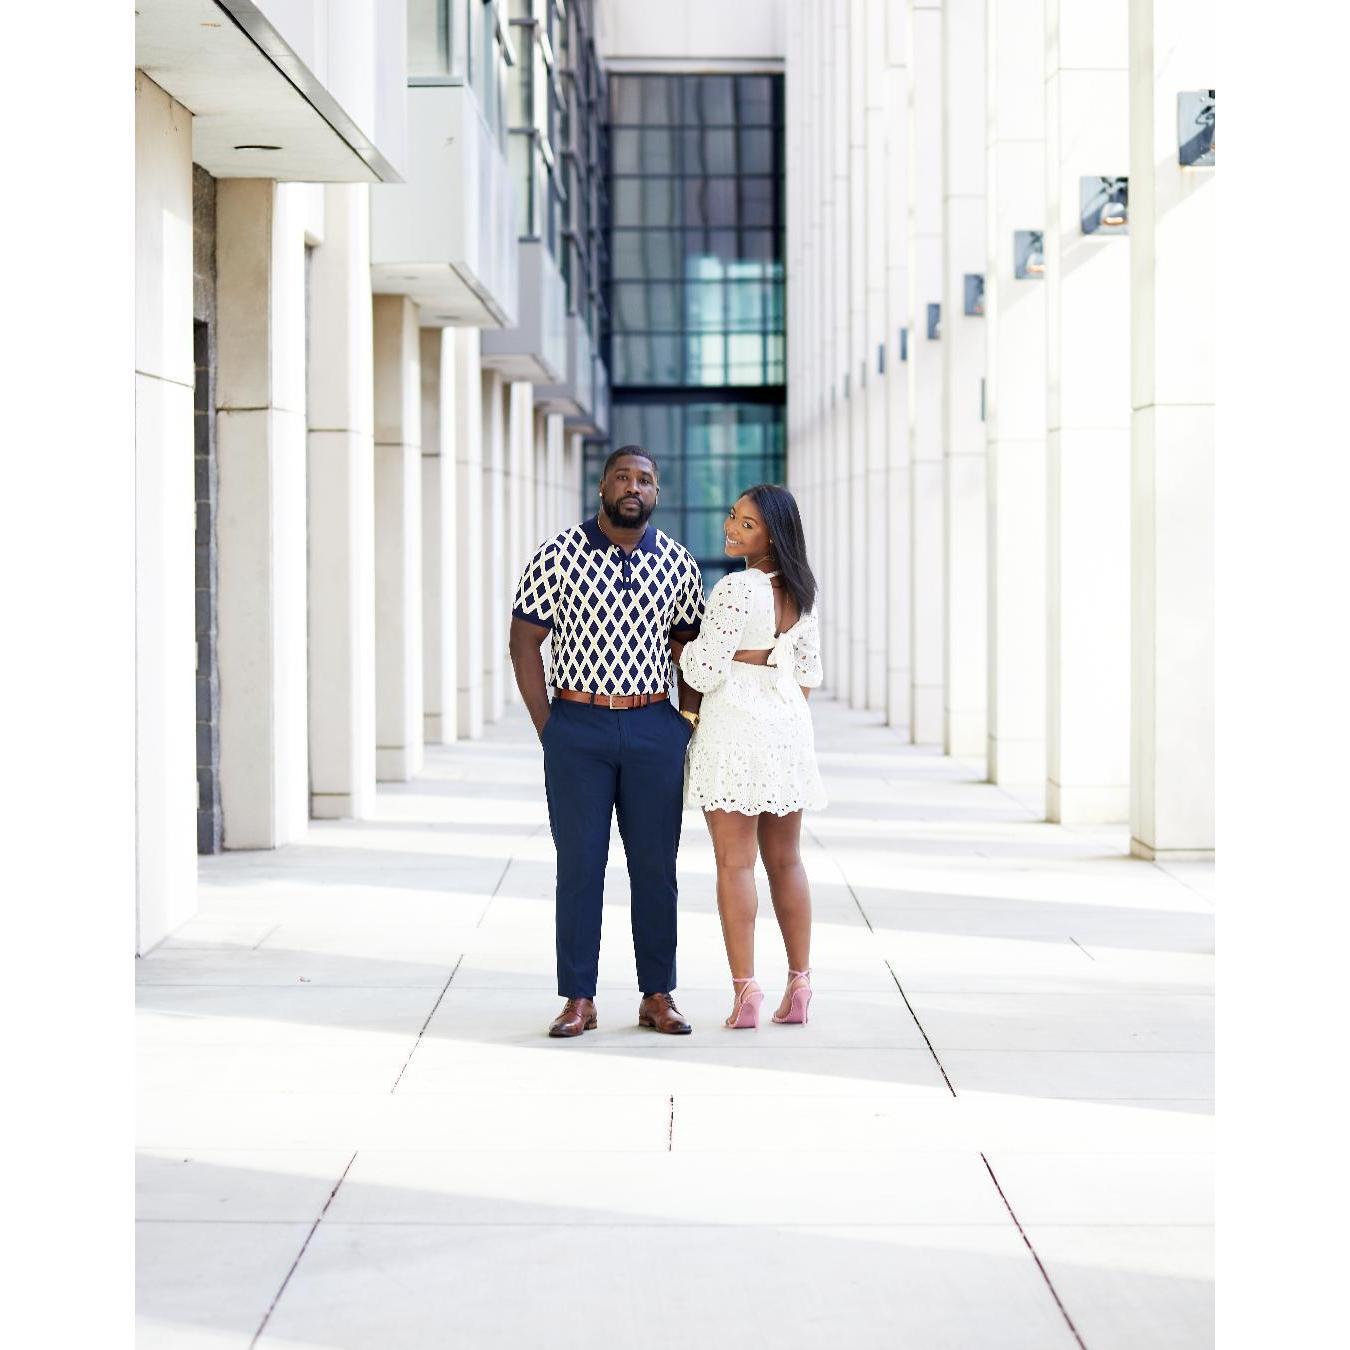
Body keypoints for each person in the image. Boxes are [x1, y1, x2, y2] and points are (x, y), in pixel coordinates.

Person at [509, 446, 706, 1039]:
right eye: (622, 476)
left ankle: (657, 995)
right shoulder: (557, 555)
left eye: (644, 479)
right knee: (580, 866)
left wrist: (686, 721)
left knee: (655, 868)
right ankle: (579, 999)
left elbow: (689, 650)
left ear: (656, 494)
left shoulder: (677, 563)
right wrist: (551, 727)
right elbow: (524, 644)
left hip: (652, 727)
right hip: (579, 727)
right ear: (601, 487)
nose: (633, 486)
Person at [678, 484, 826, 1029]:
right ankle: (801, 983)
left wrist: (683, 648)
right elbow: (808, 675)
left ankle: (745, 993)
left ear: (772, 534)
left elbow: (702, 671)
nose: (731, 528)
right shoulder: (803, 592)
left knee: (734, 862)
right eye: (733, 517)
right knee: (787, 860)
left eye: (746, 524)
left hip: (734, 726)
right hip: (787, 723)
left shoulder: (736, 588)